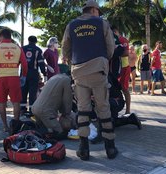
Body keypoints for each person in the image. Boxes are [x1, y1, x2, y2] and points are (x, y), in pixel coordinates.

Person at [62, 0, 117, 160]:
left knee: (83, 110)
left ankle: (84, 149)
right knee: (103, 108)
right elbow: (110, 47)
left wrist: (76, 61)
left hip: (79, 72)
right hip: (98, 70)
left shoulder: (71, 25)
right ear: (94, 10)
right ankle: (110, 148)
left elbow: (65, 48)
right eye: (98, 11)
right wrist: (103, 60)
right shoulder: (102, 23)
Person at [0, 29, 28, 132]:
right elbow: (24, 63)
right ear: (10, 37)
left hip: (1, 78)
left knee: (2, 103)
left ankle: (5, 126)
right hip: (14, 77)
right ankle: (16, 125)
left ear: (1, 37)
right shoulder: (18, 48)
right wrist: (24, 75)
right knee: (16, 102)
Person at [32, 73, 73, 140]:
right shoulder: (67, 80)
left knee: (43, 130)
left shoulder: (55, 77)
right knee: (60, 133)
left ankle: (44, 130)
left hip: (35, 108)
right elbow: (67, 100)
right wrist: (66, 114)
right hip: (45, 112)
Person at [20, 36, 46, 115]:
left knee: (23, 92)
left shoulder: (22, 49)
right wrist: (44, 73)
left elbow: (18, 61)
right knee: (32, 93)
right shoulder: (38, 50)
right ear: (36, 41)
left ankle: (22, 109)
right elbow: (41, 62)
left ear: (28, 40)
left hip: (23, 73)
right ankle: (31, 110)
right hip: (33, 74)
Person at [112, 27, 131, 114]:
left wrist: (114, 53)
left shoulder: (122, 40)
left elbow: (126, 53)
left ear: (115, 32)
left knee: (124, 88)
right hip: (114, 69)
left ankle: (127, 110)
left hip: (124, 67)